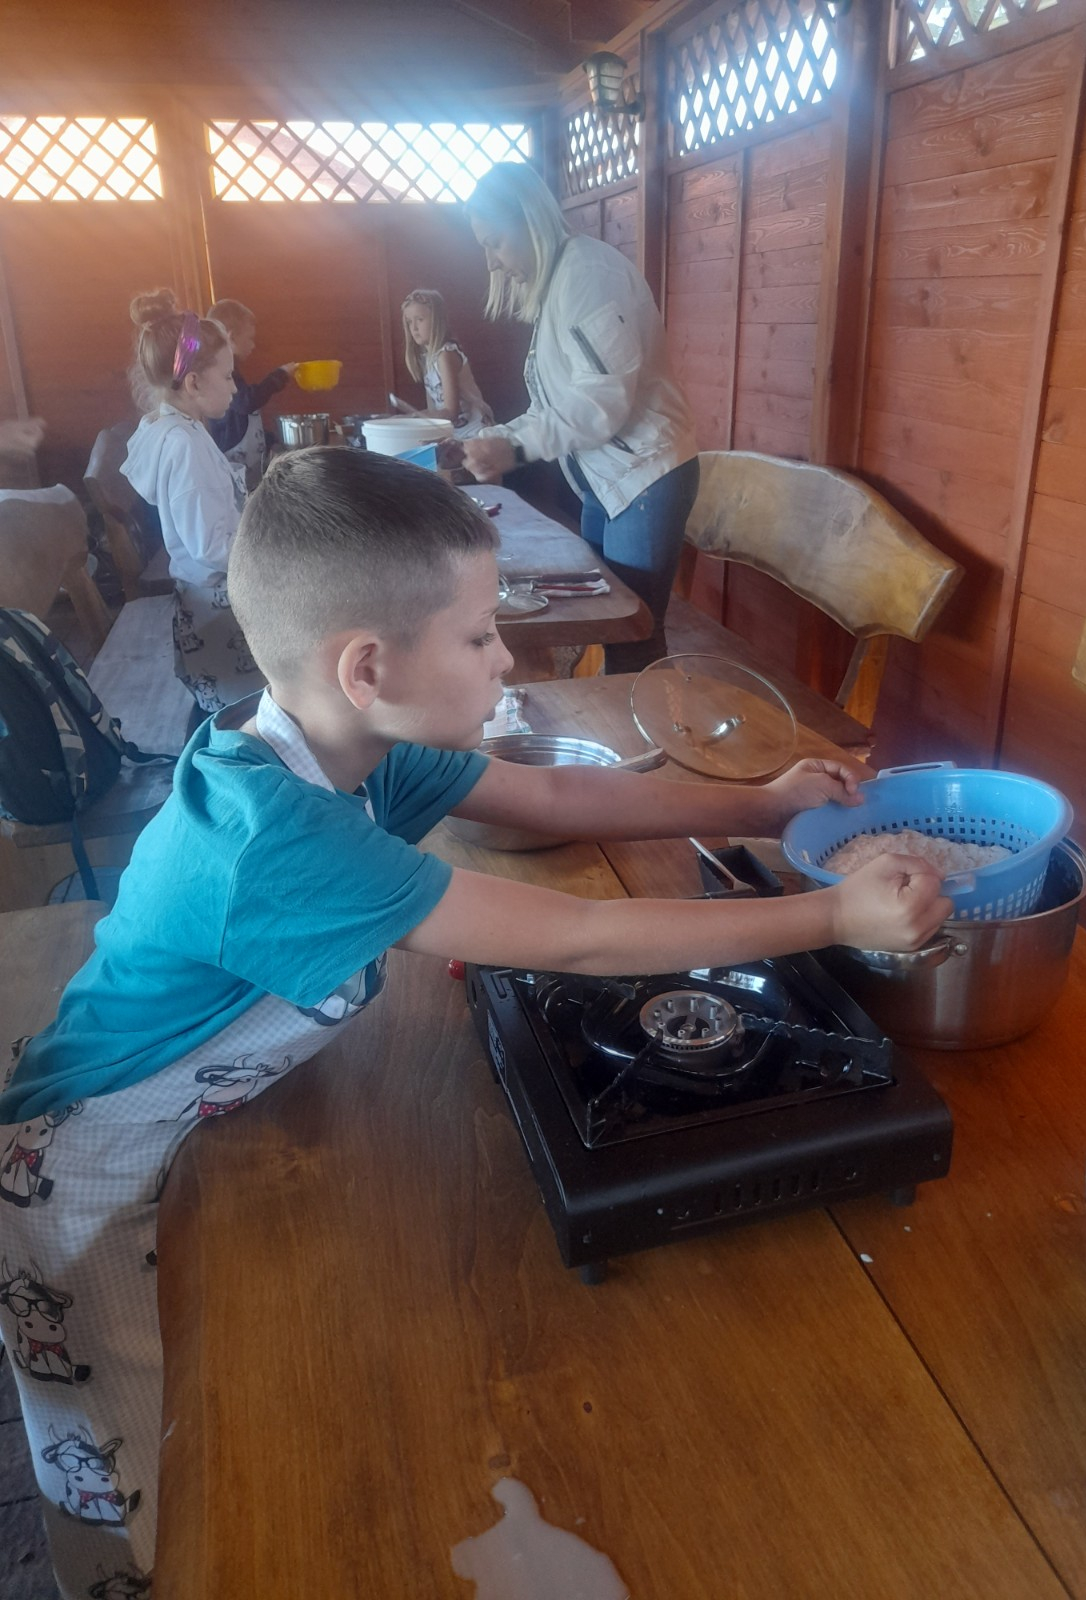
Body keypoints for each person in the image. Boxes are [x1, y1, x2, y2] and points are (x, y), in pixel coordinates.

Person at [0, 449, 949, 1598]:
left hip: (193, 1134)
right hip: (88, 1184)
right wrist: (832, 914)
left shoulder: (346, 748)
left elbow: (554, 791)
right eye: (481, 635)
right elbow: (581, 937)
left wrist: (765, 800)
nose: (506, 659)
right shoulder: (274, 838)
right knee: (140, 1478)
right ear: (368, 666)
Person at [462, 162, 698, 674]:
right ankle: (608, 714)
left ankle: (640, 724)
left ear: (530, 220)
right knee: (602, 620)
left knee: (632, 631)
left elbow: (600, 404)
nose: (493, 262)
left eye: (496, 243)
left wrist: (514, 448)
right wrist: (494, 437)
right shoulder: (560, 281)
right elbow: (554, 407)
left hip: (643, 479)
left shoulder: (586, 276)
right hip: (606, 481)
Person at [120, 289, 266, 715]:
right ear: (194, 382)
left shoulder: (179, 427)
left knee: (221, 707)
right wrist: (269, 548)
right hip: (216, 606)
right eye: (228, 376)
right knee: (235, 713)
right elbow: (210, 546)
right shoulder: (183, 444)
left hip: (204, 600)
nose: (235, 387)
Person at [206, 298, 297, 491]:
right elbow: (246, 402)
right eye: (249, 338)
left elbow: (245, 419)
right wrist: (279, 376)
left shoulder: (233, 372)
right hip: (232, 470)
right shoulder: (222, 374)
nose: (253, 345)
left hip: (249, 470)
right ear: (231, 338)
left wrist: (270, 440)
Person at [394, 287, 494, 437]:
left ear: (436, 320)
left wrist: (411, 418)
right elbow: (434, 411)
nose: (413, 328)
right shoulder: (427, 359)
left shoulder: (446, 355)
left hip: (476, 432)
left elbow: (451, 412)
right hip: (454, 433)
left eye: (420, 320)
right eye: (409, 322)